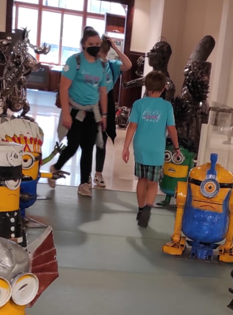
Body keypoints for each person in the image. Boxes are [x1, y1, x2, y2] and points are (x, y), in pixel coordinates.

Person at [51, 27, 108, 198]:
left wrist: (104, 115)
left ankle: (84, 183)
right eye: (91, 44)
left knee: (88, 148)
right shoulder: (74, 61)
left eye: (98, 43)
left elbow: (103, 91)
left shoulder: (101, 65)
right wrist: (66, 113)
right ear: (84, 44)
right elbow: (63, 87)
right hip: (75, 110)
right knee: (73, 145)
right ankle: (56, 167)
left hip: (91, 112)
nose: (95, 46)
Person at [122, 70, 178, 228]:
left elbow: (132, 126)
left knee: (142, 180)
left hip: (141, 147)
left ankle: (141, 209)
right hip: (157, 149)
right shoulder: (166, 106)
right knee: (153, 183)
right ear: (164, 88)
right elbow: (172, 129)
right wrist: (176, 147)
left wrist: (125, 147)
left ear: (146, 86)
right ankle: (148, 207)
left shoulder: (138, 104)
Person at [94, 34, 132, 189]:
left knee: (101, 141)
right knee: (87, 141)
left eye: (100, 54)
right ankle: (85, 175)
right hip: (90, 103)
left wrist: (115, 47)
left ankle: (98, 173)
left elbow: (128, 65)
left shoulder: (112, 65)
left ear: (105, 53)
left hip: (106, 106)